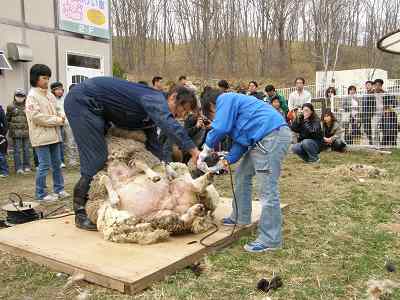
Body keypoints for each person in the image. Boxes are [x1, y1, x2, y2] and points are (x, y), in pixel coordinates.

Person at [64, 76, 200, 231]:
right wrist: (193, 150)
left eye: (185, 113)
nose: (181, 115)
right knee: (97, 158)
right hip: (83, 102)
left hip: (97, 109)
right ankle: (80, 212)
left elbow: (153, 143)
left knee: (104, 159)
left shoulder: (152, 110)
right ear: (173, 97)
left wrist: (163, 165)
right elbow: (168, 124)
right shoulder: (154, 98)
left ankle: (96, 206)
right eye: (182, 109)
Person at [197, 89, 291, 253]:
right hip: (262, 139)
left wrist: (205, 150)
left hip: (271, 136)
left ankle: (270, 239)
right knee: (241, 175)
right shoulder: (236, 111)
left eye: (211, 116)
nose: (213, 120)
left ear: (212, 106)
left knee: (267, 189)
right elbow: (241, 143)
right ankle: (241, 216)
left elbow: (220, 128)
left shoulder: (225, 99)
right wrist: (224, 162)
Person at [25, 64, 69, 202]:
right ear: (35, 78)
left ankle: (59, 189)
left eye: (48, 78)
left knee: (57, 164)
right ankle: (41, 194)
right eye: (44, 77)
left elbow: (59, 108)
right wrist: (58, 120)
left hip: (54, 136)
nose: (46, 81)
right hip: (41, 137)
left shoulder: (50, 95)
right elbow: (36, 117)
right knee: (44, 166)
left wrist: (62, 116)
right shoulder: (32, 97)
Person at [6, 89, 32, 174]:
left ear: (25, 97)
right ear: (14, 96)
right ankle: (18, 168)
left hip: (26, 131)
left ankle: (27, 166)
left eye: (22, 96)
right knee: (17, 150)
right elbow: (7, 119)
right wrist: (11, 127)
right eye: (18, 96)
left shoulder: (28, 106)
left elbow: (31, 118)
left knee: (26, 149)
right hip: (15, 132)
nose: (20, 98)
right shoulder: (10, 106)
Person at [51, 81, 66, 168]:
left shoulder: (64, 99)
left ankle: (61, 161)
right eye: (57, 90)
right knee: (56, 143)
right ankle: (58, 161)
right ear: (53, 91)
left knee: (61, 142)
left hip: (64, 123)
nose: (60, 91)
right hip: (55, 123)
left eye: (61, 90)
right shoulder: (51, 99)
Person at [360, 81, 376, 145]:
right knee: (366, 128)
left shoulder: (374, 94)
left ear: (372, 86)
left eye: (369, 85)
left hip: (371, 114)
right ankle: (370, 140)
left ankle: (373, 142)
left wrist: (372, 113)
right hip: (365, 114)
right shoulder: (365, 94)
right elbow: (363, 105)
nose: (367, 86)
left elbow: (374, 105)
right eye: (366, 85)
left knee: (373, 128)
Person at [0, 103, 9, 178]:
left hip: (0, 136)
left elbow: (5, 123)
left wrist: (3, 134)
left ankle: (4, 171)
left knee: (1, 155)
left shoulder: (0, 110)